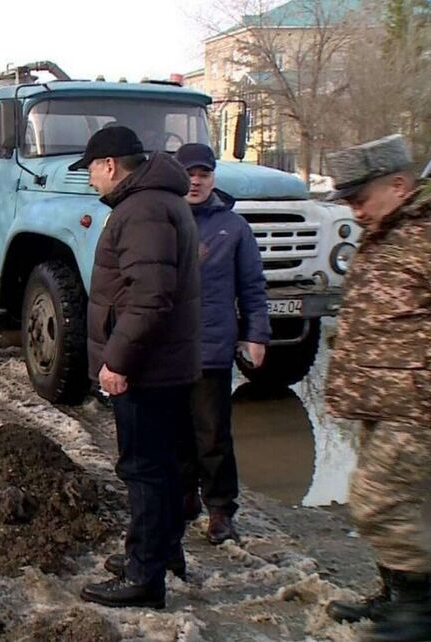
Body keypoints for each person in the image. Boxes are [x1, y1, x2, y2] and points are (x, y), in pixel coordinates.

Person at [72, 125, 202, 609]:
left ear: (109, 165)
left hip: (147, 366)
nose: (90, 181)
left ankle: (144, 577)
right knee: (164, 466)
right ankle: (161, 552)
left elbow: (149, 297)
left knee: (143, 469)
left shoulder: (142, 209)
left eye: (90, 170)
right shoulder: (158, 201)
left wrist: (117, 359)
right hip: (165, 362)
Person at [320, 134, 431, 642]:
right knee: (401, 503)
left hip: (416, 403)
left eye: (359, 199)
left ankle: (418, 614)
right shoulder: (387, 233)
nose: (353, 210)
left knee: (377, 500)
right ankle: (394, 596)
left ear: (400, 185)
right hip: (383, 401)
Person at [173, 142, 270, 545]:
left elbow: (252, 286)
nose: (196, 181)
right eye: (189, 174)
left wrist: (256, 334)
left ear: (213, 178)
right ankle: (182, 497)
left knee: (212, 433)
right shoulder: (163, 220)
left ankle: (219, 510)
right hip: (166, 349)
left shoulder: (234, 227)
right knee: (173, 432)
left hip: (211, 347)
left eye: (204, 174)